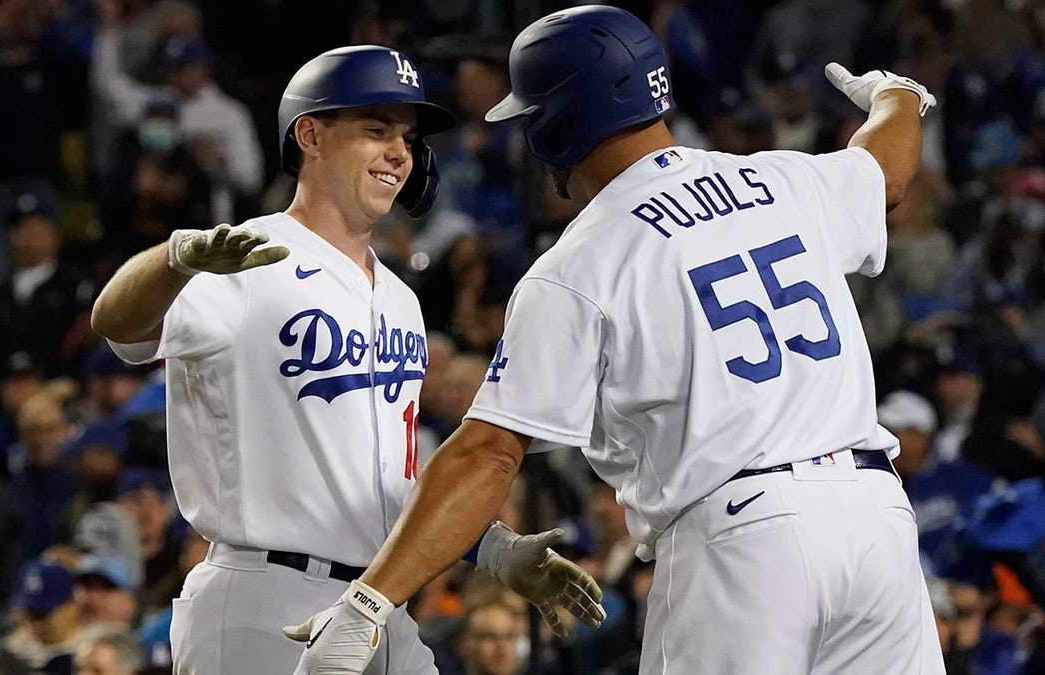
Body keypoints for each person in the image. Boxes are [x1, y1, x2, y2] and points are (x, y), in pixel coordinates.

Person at [290, 5, 947, 675]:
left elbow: (487, 452)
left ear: (556, 124)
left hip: (743, 538)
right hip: (878, 520)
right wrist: (898, 94)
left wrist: (370, 600)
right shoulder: (783, 177)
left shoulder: (582, 262)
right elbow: (885, 173)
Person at [89, 43, 602, 674]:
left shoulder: (400, 299)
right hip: (265, 598)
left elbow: (391, 480)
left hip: (379, 602)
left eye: (408, 138)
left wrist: (491, 547)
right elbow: (117, 327)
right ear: (310, 134)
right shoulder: (246, 255)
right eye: (376, 129)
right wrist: (174, 259)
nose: (399, 153)